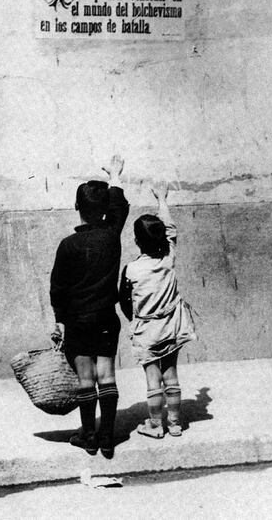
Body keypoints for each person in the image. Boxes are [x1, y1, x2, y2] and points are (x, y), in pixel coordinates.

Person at [50, 156, 129, 458]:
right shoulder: (112, 238)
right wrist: (116, 177)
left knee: (86, 380)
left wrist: (60, 320)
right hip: (106, 318)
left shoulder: (68, 245)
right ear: (104, 210)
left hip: (78, 321)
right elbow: (120, 207)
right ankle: (108, 438)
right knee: (107, 376)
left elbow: (58, 287)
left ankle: (89, 436)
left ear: (76, 207)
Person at [119, 183, 197, 438]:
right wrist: (162, 200)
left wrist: (136, 318)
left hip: (147, 330)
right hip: (173, 325)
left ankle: (155, 425)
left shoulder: (131, 270)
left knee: (153, 380)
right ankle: (175, 423)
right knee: (171, 374)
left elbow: (124, 300)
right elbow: (171, 230)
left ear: (136, 242)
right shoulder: (168, 258)